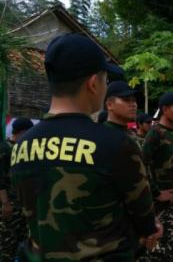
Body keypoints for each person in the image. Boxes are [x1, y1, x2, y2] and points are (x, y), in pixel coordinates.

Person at [9, 33, 162, 261]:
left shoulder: (21, 146)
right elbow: (144, 217)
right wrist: (151, 229)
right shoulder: (115, 144)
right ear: (93, 83)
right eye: (105, 80)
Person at [141, 92, 173, 261]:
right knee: (162, 253)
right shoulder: (155, 134)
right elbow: (142, 167)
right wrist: (157, 193)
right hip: (163, 206)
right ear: (165, 109)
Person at [0, 118, 33, 262]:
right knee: (7, 246)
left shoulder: (18, 149)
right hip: (9, 207)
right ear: (24, 132)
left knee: (21, 244)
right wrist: (5, 203)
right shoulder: (5, 149)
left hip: (20, 206)